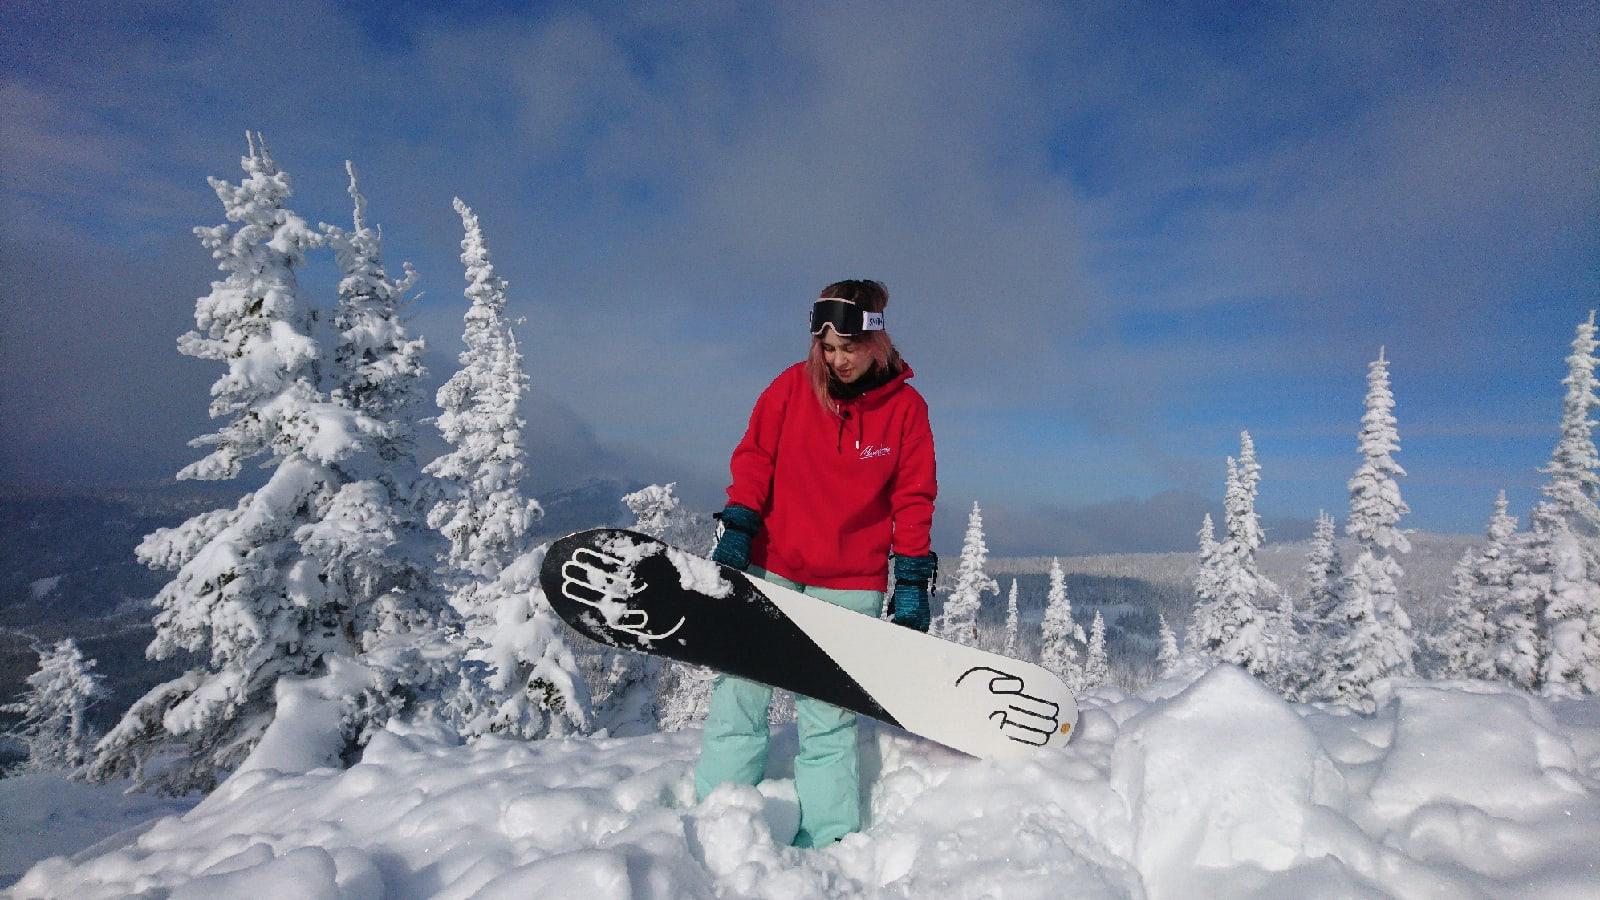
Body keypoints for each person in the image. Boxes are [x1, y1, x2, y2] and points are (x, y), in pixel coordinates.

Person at [693, 278, 939, 848]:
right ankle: (717, 821)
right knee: (741, 692)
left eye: (848, 348)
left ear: (876, 340)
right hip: (774, 564)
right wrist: (739, 525)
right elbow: (755, 458)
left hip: (850, 582)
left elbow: (913, 496)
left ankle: (827, 840)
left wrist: (910, 578)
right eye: (827, 348)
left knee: (828, 714)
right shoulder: (790, 388)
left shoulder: (905, 411)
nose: (837, 360)